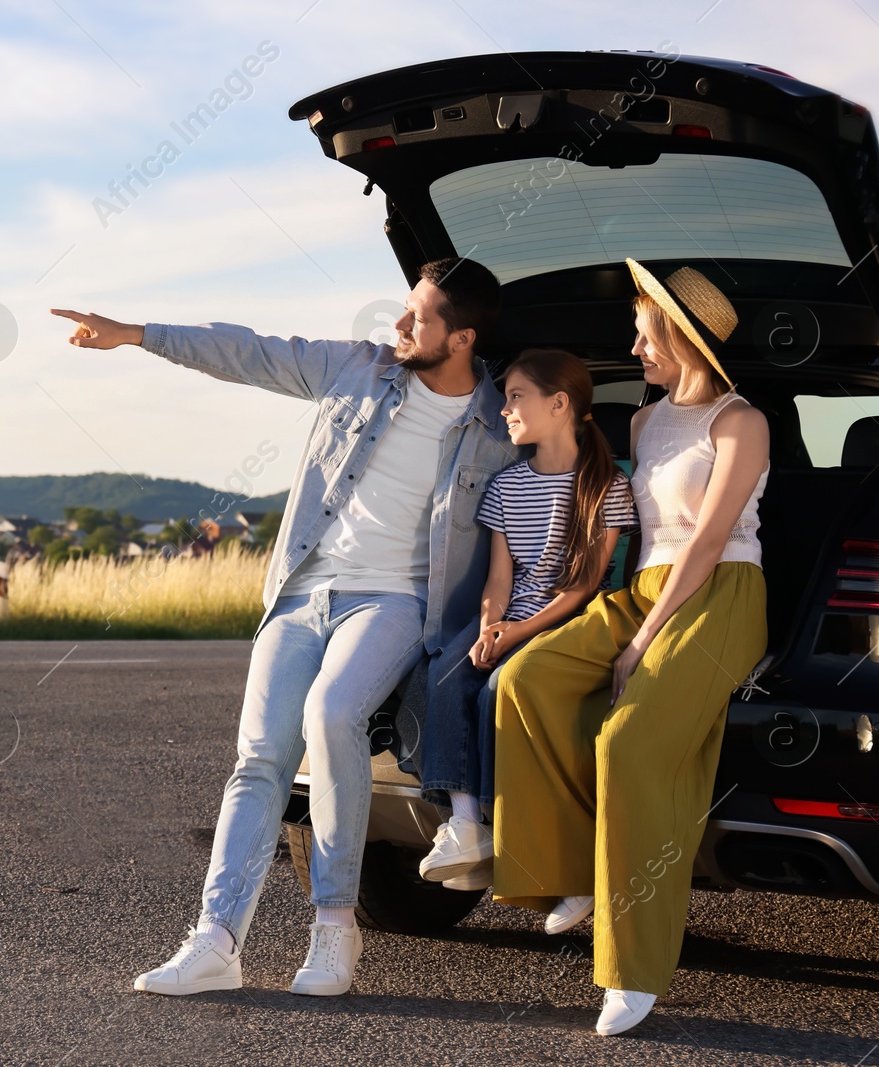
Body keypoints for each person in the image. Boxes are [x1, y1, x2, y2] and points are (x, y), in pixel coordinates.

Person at [50, 256, 519, 997]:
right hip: (304, 591)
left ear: (460, 339)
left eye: (418, 317)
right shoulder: (358, 368)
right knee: (261, 753)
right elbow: (248, 349)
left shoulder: (500, 424)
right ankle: (215, 941)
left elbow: (564, 479)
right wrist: (135, 334)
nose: (397, 324)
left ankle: (335, 928)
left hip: (394, 602)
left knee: (332, 713)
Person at [490, 259, 770, 1036]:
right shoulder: (646, 422)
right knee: (527, 680)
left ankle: (632, 971)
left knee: (630, 743)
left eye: (644, 334)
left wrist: (641, 642)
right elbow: (623, 524)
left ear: (679, 338)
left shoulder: (742, 423)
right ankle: (572, 873)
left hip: (720, 596)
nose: (635, 349)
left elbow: (709, 541)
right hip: (646, 587)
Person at [415, 348, 638, 890]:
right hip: (511, 616)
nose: (505, 409)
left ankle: (500, 822)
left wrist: (517, 631)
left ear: (559, 404)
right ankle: (465, 823)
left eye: (517, 397)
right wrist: (493, 624)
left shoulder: (604, 486)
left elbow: (585, 585)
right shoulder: (507, 486)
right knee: (446, 673)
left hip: (566, 623)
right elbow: (499, 579)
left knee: (496, 692)